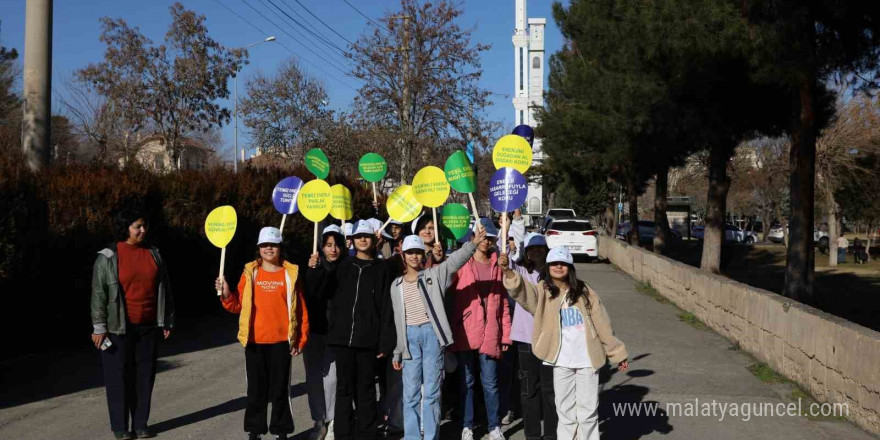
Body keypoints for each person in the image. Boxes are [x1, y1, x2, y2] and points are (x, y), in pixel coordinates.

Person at [500, 246, 629, 440]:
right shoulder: (543, 291)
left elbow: (602, 323)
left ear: (570, 267)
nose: (558, 267)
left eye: (563, 263)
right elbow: (523, 293)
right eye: (554, 264)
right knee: (565, 412)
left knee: (587, 412)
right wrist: (508, 272)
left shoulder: (584, 291)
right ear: (548, 266)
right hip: (560, 361)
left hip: (587, 361)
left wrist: (617, 353)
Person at [390, 224, 487, 440]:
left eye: (418, 252)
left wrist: (473, 243)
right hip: (408, 338)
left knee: (432, 392)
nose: (414, 256)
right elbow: (398, 320)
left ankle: (432, 436)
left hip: (432, 336)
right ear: (403, 255)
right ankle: (413, 436)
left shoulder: (435, 274)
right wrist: (398, 350)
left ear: (423, 255)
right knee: (411, 392)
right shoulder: (396, 285)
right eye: (410, 253)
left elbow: (455, 261)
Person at [216, 226, 309, 440]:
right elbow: (237, 305)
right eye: (265, 245)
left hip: (281, 343)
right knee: (256, 390)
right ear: (259, 248)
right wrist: (227, 293)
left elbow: (301, 308)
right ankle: (255, 431)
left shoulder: (290, 274)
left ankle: (281, 430)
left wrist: (301, 339)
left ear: (280, 248)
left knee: (280, 390)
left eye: (273, 245)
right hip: (255, 342)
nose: (269, 249)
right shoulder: (250, 273)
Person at [91, 208, 175, 440]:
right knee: (118, 378)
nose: (142, 230)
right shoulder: (108, 256)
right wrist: (99, 327)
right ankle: (120, 427)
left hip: (148, 326)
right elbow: (98, 294)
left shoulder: (154, 253)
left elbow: (165, 289)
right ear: (125, 228)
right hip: (117, 328)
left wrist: (166, 319)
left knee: (145, 376)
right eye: (137, 226)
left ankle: (141, 425)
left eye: (144, 225)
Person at [308, 220, 396, 440]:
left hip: (368, 341)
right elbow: (321, 292)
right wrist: (317, 268)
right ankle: (343, 434)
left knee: (365, 390)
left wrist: (386, 340)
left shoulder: (382, 269)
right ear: (353, 241)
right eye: (358, 236)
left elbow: (387, 306)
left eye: (366, 236)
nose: (363, 240)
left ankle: (367, 433)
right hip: (342, 340)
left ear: (374, 239)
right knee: (343, 390)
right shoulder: (343, 266)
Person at [450, 218, 512, 440]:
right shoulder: (460, 264)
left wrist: (506, 334)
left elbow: (503, 303)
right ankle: (467, 425)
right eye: (482, 237)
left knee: (490, 382)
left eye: (490, 238)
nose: (486, 242)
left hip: (491, 332)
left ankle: (494, 426)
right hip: (465, 331)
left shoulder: (499, 265)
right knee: (466, 382)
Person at [506, 233, 557, 440]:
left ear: (546, 250)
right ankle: (533, 435)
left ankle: (552, 435)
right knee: (528, 390)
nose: (536, 251)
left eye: (540, 247)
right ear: (525, 252)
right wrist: (508, 226)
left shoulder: (554, 273)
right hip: (526, 340)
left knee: (549, 390)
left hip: (549, 339)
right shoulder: (520, 271)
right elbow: (506, 265)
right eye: (532, 248)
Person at [304, 225, 347, 440]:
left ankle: (331, 421)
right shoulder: (313, 268)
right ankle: (318, 420)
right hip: (314, 332)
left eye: (337, 245)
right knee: (313, 379)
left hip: (336, 334)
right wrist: (313, 270)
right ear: (321, 247)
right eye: (328, 245)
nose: (333, 249)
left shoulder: (347, 268)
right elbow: (309, 294)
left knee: (332, 380)